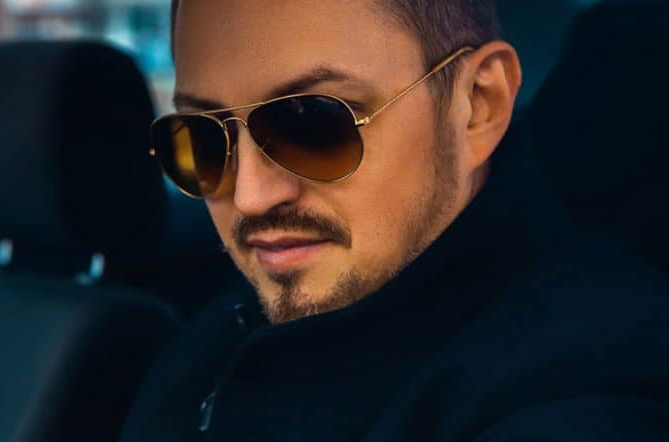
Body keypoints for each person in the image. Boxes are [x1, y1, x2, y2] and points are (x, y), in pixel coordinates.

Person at [121, 1, 669, 440]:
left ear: (478, 105)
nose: (250, 197)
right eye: (202, 137)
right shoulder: (210, 339)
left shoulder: (590, 383)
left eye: (313, 122)